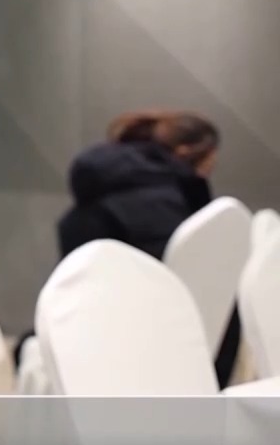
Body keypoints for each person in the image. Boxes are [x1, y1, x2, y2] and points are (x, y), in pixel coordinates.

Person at [40, 109, 238, 387]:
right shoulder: (166, 205)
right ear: (187, 153)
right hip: (149, 352)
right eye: (210, 162)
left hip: (81, 336)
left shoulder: (102, 192)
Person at [57, 110, 219, 260]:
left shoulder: (103, 188)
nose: (212, 165)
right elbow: (175, 268)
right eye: (211, 156)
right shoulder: (161, 203)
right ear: (185, 152)